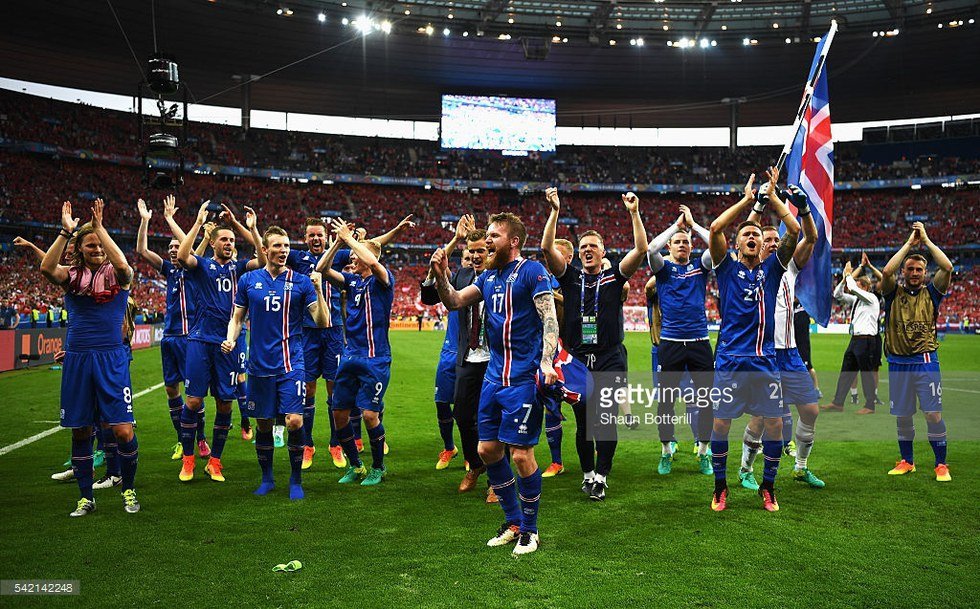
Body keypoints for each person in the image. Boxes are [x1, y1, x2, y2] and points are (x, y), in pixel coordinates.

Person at [431, 212, 559, 555]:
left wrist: (547, 361)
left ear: (513, 241)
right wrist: (441, 275)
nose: (487, 240)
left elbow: (549, 318)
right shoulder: (488, 277)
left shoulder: (532, 271)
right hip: (493, 379)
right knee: (487, 450)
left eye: (494, 236)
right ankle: (513, 522)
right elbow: (454, 301)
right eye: (486, 235)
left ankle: (530, 530)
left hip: (522, 379)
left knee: (521, 455)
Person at [541, 187, 647, 501]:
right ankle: (587, 474)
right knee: (584, 422)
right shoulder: (570, 278)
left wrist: (634, 213)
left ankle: (601, 477)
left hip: (609, 357)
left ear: (603, 252)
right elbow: (546, 247)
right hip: (576, 359)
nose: (587, 250)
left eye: (593, 246)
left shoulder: (615, 277)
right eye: (583, 247)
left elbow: (641, 249)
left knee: (606, 420)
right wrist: (555, 211)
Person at [707, 170, 801, 512]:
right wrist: (748, 201)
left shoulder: (772, 270)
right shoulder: (726, 268)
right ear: (737, 244)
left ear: (762, 245)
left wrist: (773, 196)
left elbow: (794, 231)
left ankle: (768, 487)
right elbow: (715, 228)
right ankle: (720, 487)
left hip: (764, 361)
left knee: (774, 424)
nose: (751, 237)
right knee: (720, 423)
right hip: (730, 360)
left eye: (756, 235)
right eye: (746, 234)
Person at [40, 199, 140, 516]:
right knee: (81, 430)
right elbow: (46, 268)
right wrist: (65, 232)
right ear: (80, 249)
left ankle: (128, 489)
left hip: (112, 359)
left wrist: (99, 228)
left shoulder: (118, 275)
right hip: (78, 358)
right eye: (90, 245)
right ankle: (86, 497)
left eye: (99, 244)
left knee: (123, 430)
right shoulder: (71, 276)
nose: (97, 249)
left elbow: (123, 265)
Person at [223, 226, 330, 499]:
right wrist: (231, 339)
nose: (283, 251)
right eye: (278, 246)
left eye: (286, 246)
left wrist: (319, 290)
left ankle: (296, 480)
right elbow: (237, 318)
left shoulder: (301, 282)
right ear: (265, 249)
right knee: (263, 424)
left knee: (294, 421)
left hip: (291, 363)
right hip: (259, 365)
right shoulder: (248, 280)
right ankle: (267, 478)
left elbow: (322, 321)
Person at [738, 185, 825, 490]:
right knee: (762, 417)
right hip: (765, 354)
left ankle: (800, 467)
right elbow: (744, 232)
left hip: (790, 353)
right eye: (769, 240)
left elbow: (810, 238)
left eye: (778, 239)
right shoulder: (749, 271)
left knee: (810, 410)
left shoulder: (788, 269)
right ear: (758, 244)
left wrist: (804, 209)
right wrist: (761, 203)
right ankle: (745, 469)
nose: (774, 243)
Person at [175, 202, 265, 483]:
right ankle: (188, 459)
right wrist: (198, 223)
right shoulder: (202, 265)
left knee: (225, 403)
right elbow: (182, 256)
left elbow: (263, 261)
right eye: (224, 239)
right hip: (201, 340)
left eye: (232, 240)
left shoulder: (240, 268)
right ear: (213, 243)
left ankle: (215, 461)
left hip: (229, 343)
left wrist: (251, 229)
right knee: (193, 401)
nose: (228, 243)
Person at [316, 220, 395, 486]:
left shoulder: (383, 281)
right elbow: (322, 268)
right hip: (350, 357)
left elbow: (373, 263)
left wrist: (350, 239)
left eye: (355, 255)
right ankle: (356, 465)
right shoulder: (351, 282)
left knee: (370, 415)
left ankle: (378, 467)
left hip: (375, 359)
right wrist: (339, 242)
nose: (351, 259)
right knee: (339, 413)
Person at [135, 195, 211, 461]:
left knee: (194, 394)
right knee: (171, 391)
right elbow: (143, 251)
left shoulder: (195, 269)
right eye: (169, 246)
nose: (171, 249)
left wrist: (171, 220)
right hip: (169, 337)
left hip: (191, 338)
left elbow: (192, 250)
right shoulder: (169, 271)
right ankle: (182, 439)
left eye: (176, 245)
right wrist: (145, 221)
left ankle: (200, 438)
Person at [421, 225, 494, 499]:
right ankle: (475, 464)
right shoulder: (463, 275)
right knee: (462, 416)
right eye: (471, 251)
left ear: (490, 251)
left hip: (496, 359)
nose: (475, 256)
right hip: (469, 356)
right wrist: (437, 273)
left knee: (493, 419)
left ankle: (496, 480)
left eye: (480, 251)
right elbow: (429, 296)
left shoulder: (502, 276)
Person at [878, 221, 953, 482]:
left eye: (919, 269)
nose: (914, 273)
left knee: (932, 414)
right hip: (898, 362)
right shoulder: (892, 292)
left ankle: (941, 464)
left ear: (925, 273)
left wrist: (927, 241)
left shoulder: (932, 293)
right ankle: (907, 461)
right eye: (910, 268)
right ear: (904, 271)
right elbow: (886, 271)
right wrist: (910, 244)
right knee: (903, 416)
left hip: (925, 360)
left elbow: (947, 267)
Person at [646, 204, 715, 477]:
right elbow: (651, 249)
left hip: (699, 342)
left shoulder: (701, 267)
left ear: (691, 246)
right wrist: (676, 226)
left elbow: (717, 244)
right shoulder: (663, 270)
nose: (683, 245)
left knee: (706, 400)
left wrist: (694, 225)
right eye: (677, 242)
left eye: (686, 242)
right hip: (671, 343)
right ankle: (666, 451)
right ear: (670, 247)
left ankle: (704, 451)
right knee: (666, 402)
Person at [420, 214, 475, 471]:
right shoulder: (455, 280)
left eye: (474, 256)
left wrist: (473, 239)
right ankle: (449, 447)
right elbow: (436, 271)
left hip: (474, 353)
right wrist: (455, 240)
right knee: (442, 402)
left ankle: (471, 454)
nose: (471, 261)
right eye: (466, 258)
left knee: (469, 408)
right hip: (450, 351)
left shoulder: (486, 280)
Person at [823, 254, 882, 414]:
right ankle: (838, 403)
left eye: (857, 284)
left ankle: (870, 405)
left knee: (866, 373)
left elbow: (853, 288)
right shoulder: (857, 300)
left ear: (865, 287)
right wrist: (844, 279)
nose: (854, 286)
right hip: (855, 339)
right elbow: (837, 294)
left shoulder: (871, 298)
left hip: (866, 340)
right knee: (846, 372)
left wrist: (849, 274)